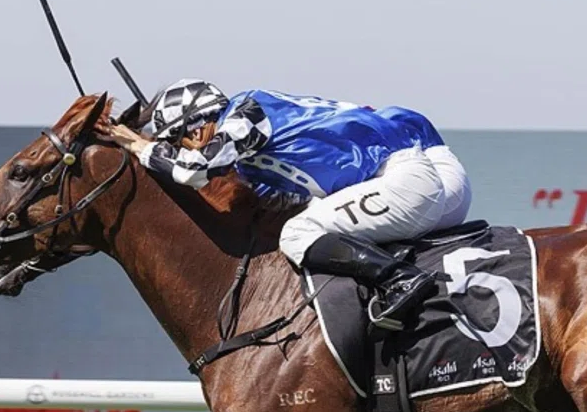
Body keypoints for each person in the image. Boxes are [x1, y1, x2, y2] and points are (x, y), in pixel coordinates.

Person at [98, 79, 472, 329]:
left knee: (298, 234)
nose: (184, 148)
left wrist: (136, 144)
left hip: (409, 179)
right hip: (435, 175)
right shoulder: (250, 154)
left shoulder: (245, 113)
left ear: (197, 128)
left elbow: (191, 172)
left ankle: (400, 280)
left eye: (179, 141)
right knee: (315, 221)